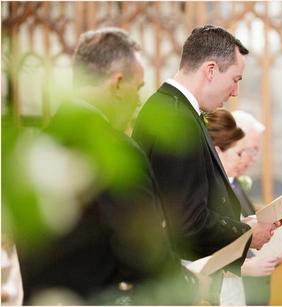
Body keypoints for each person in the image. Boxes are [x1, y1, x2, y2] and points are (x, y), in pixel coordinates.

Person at [14, 28, 200, 305]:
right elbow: (142, 254)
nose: (138, 101)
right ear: (116, 84)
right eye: (137, 89)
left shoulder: (31, 151)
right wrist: (189, 281)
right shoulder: (117, 152)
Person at [132, 25, 277, 274]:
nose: (235, 92)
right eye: (235, 80)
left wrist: (240, 223)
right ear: (210, 70)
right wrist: (247, 235)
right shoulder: (176, 118)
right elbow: (186, 224)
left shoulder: (174, 109)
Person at [207, 109, 282, 305]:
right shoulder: (205, 190)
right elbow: (201, 244)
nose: (249, 158)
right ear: (218, 151)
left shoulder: (232, 185)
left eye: (253, 152)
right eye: (243, 152)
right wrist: (246, 266)